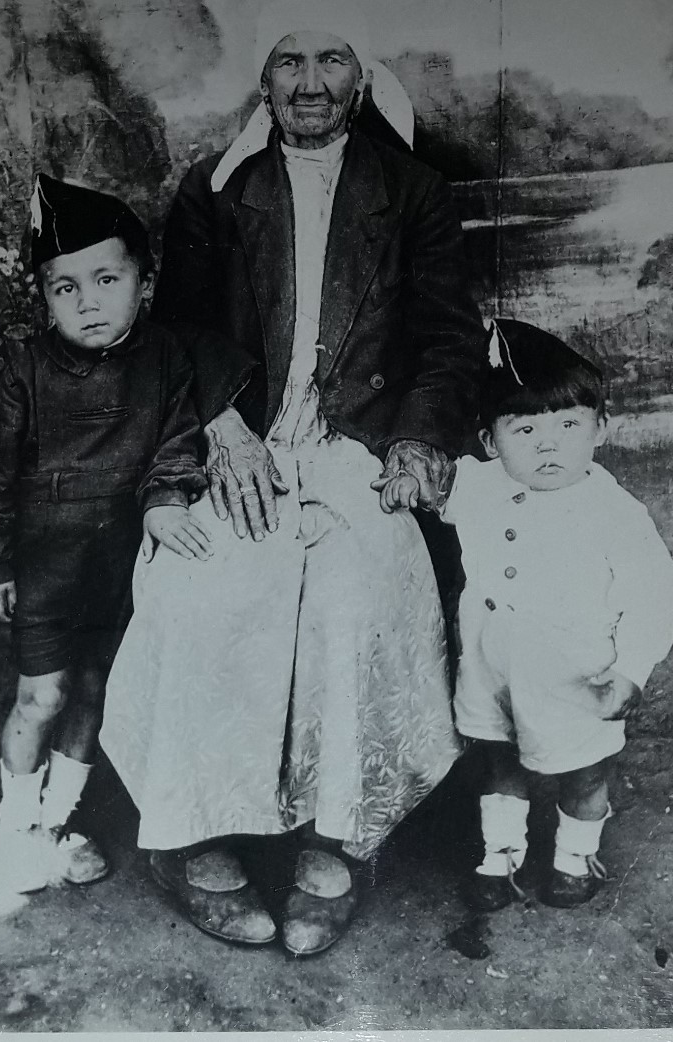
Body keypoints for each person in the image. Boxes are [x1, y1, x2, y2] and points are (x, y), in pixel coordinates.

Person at [100, 0, 484, 956]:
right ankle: (191, 837)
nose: (310, 83)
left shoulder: (413, 192)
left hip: (357, 447)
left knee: (359, 596)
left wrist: (417, 440)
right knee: (209, 589)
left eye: (332, 60)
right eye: (288, 61)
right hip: (239, 437)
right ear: (262, 80)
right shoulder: (217, 189)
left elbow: (446, 340)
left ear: (362, 76)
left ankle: (334, 840)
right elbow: (181, 330)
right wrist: (224, 427)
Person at [0, 174, 210, 909]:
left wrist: (164, 501)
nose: (87, 302)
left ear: (144, 283)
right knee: (43, 696)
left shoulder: (165, 358)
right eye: (65, 288)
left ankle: (58, 825)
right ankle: (15, 829)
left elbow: (177, 444)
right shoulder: (27, 369)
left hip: (121, 566)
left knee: (96, 692)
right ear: (44, 298)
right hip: (47, 570)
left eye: (106, 280)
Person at [430, 319, 673, 912]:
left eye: (568, 425)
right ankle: (501, 855)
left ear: (600, 428)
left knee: (585, 772)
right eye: (525, 429)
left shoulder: (614, 513)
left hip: (576, 676)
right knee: (500, 764)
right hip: (492, 668)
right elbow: (434, 488)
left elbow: (654, 596)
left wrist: (632, 670)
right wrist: (409, 477)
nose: (548, 445)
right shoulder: (481, 485)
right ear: (490, 441)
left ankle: (575, 857)